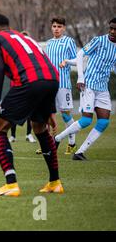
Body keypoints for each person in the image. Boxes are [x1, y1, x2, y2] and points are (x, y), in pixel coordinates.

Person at [0, 14, 62, 197]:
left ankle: (11, 184)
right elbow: (45, 67)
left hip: (28, 81)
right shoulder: (25, 37)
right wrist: (50, 110)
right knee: (39, 127)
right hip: (52, 79)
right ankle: (55, 182)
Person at [54, 18, 116, 160]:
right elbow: (81, 54)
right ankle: (57, 139)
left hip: (103, 88)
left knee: (104, 122)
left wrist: (68, 62)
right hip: (88, 84)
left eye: (115, 29)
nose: (112, 31)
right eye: (111, 28)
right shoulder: (99, 40)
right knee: (87, 120)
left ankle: (79, 152)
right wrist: (81, 77)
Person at [40, 17, 78, 154]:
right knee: (46, 114)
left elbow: (77, 60)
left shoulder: (69, 41)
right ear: (51, 27)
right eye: (54, 26)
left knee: (65, 115)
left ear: (64, 28)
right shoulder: (49, 43)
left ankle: (72, 143)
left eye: (59, 26)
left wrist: (67, 61)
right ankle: (47, 144)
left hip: (63, 84)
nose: (56, 28)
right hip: (50, 84)